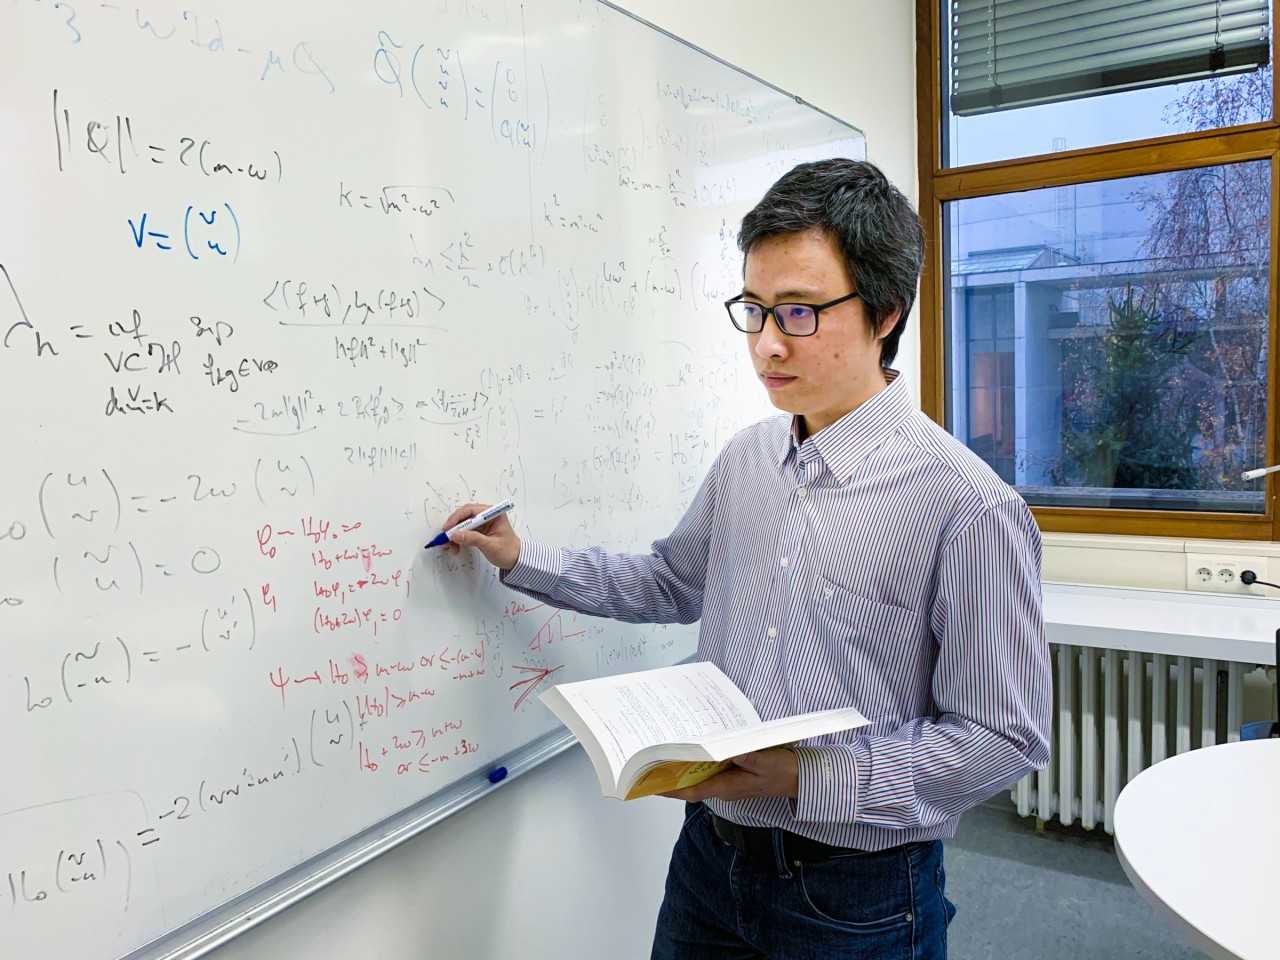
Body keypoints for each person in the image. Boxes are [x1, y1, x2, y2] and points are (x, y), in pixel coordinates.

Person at [441, 158, 1051, 960]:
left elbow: (1001, 739)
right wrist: (524, 558)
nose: (767, 344)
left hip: (856, 894)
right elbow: (671, 581)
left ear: (885, 312)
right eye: (755, 310)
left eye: (799, 312)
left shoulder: (968, 507)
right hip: (710, 857)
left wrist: (806, 775)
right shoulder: (747, 459)